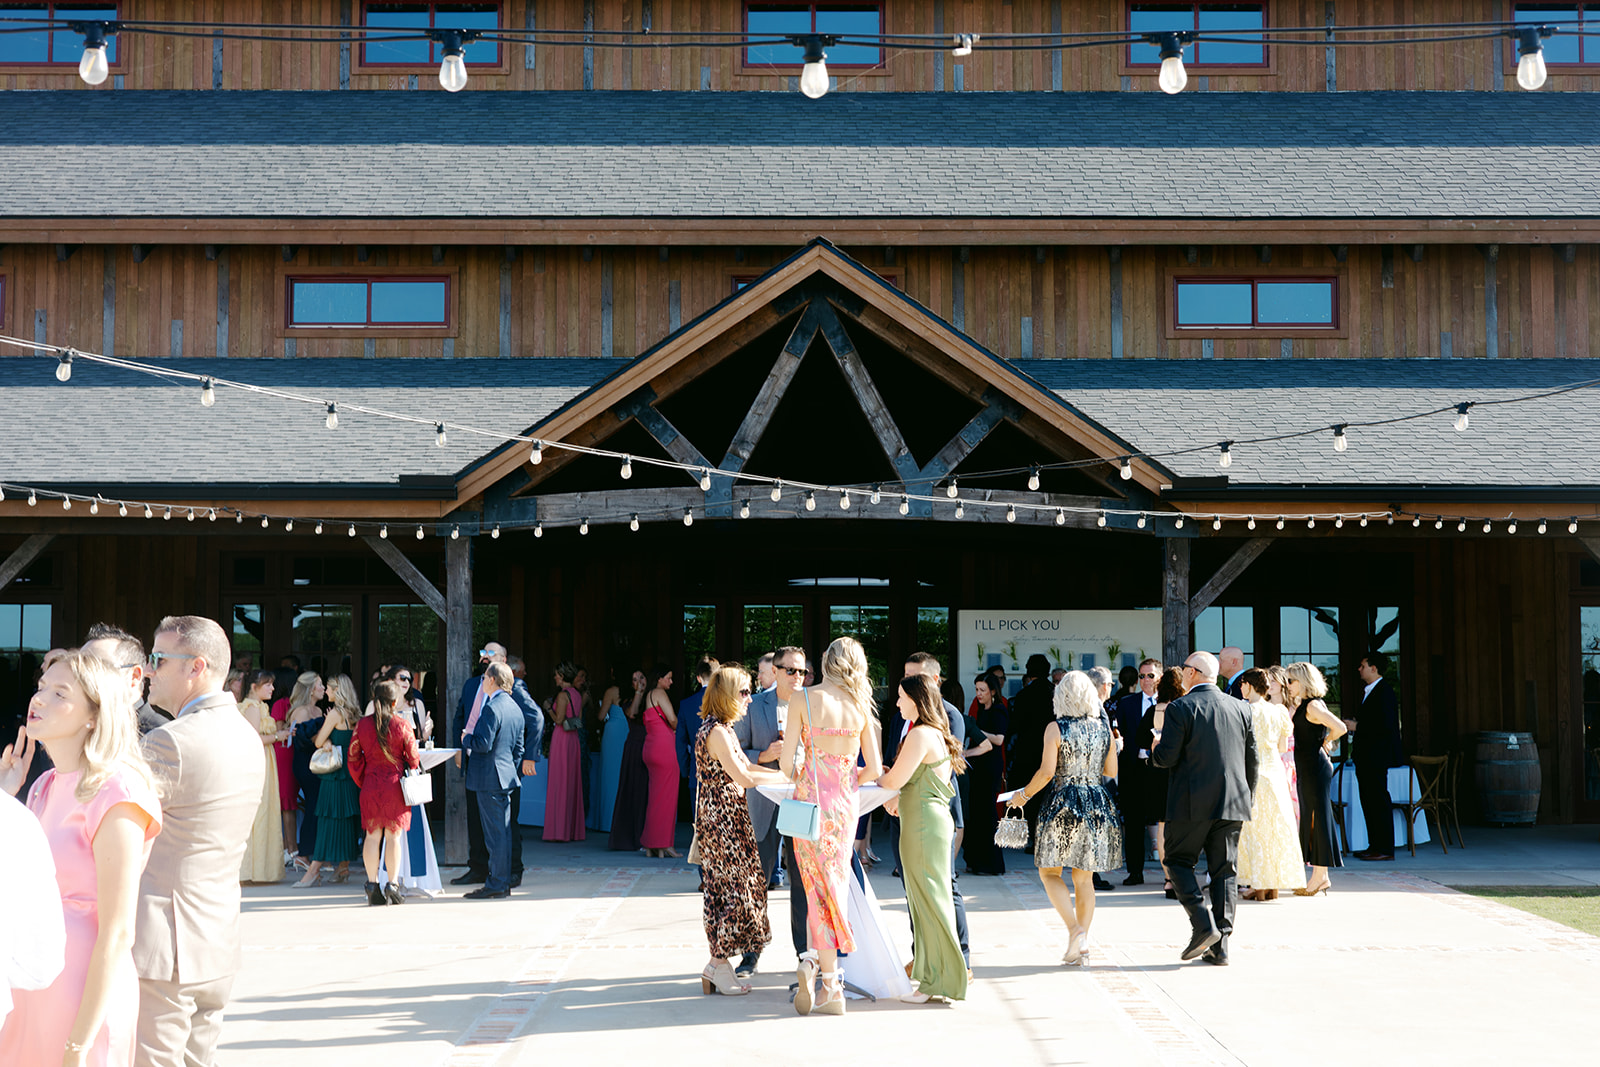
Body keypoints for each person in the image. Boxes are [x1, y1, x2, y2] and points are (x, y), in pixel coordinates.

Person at [0, 651, 161, 1067]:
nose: (39, 699)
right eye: (41, 688)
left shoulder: (116, 791)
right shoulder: (42, 786)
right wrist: (5, 796)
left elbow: (118, 931)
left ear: (94, 714)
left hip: (83, 995)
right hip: (30, 986)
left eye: (60, 693)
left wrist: (79, 1044)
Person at [132, 615, 264, 1067]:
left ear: (196, 667)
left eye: (158, 659)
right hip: (217, 933)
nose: (149, 670)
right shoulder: (247, 735)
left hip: (165, 941)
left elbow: (117, 829)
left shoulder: (170, 741)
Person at [780, 637, 883, 1017]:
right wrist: (846, 776)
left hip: (809, 805)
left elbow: (786, 765)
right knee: (834, 887)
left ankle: (824, 976)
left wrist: (808, 773)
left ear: (826, 663)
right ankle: (827, 980)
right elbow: (874, 768)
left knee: (814, 888)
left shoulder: (803, 699)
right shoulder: (860, 706)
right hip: (842, 808)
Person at [1006, 671, 1121, 966]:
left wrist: (1023, 796)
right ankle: (1080, 944)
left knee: (1049, 872)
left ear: (1061, 697)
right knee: (1084, 878)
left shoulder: (1055, 728)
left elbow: (1046, 773)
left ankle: (1074, 930)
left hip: (1063, 803)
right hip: (1095, 803)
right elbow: (1111, 772)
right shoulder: (1103, 730)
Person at [1152, 651, 1258, 967]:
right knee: (1225, 871)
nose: (1183, 673)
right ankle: (1220, 946)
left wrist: (1156, 749)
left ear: (1193, 673)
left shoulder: (1180, 707)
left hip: (1191, 802)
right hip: (1233, 801)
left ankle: (1202, 925)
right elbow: (1252, 760)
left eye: (1185, 669)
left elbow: (1167, 758)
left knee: (1177, 861)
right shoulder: (1241, 707)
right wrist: (1248, 798)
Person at [693, 666, 789, 996]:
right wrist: (786, 779)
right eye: (744, 692)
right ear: (727, 696)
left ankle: (718, 965)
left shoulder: (724, 729)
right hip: (721, 823)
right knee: (734, 893)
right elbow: (744, 778)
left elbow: (748, 766)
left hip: (730, 818)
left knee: (735, 890)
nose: (750, 698)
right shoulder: (717, 732)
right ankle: (717, 964)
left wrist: (784, 777)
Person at [879, 674, 968, 1003]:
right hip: (926, 823)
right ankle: (935, 979)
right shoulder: (934, 732)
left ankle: (938, 982)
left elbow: (894, 781)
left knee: (929, 904)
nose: (897, 703)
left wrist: (873, 774)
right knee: (928, 902)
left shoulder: (919, 734)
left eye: (901, 697)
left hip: (922, 828)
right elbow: (907, 784)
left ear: (917, 700)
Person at [895, 653, 974, 972]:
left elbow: (944, 769)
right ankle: (923, 955)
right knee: (914, 888)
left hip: (932, 808)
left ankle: (961, 960)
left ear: (933, 681)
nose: (907, 684)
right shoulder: (902, 715)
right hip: (907, 808)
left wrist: (892, 785)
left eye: (915, 678)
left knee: (944, 887)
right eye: (905, 676)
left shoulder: (948, 716)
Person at [732, 647, 792, 976]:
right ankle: (750, 954)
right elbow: (736, 751)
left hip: (801, 803)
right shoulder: (754, 706)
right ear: (776, 672)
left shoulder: (812, 704)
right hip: (763, 802)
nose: (797, 677)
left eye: (802, 672)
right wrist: (764, 756)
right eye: (790, 671)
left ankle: (807, 956)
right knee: (756, 883)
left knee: (805, 885)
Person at [349, 679, 422, 907]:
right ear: (395, 701)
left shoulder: (362, 725)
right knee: (394, 837)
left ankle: (372, 885)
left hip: (371, 785)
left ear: (374, 699)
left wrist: (364, 779)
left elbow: (353, 758)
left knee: (372, 836)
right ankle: (392, 884)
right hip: (394, 787)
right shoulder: (402, 725)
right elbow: (414, 758)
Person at [1235, 669, 1305, 900]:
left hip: (1253, 771)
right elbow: (1283, 746)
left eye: (1243, 684)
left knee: (1255, 829)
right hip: (1275, 772)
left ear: (1249, 685)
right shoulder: (1280, 710)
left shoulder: (1245, 710)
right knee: (1275, 828)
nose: (1241, 688)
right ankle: (1272, 885)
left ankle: (1258, 884)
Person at [463, 663, 525, 900]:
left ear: (492, 680)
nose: (482, 682)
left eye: (484, 677)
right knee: (503, 833)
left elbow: (482, 744)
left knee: (495, 835)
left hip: (488, 778)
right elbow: (518, 749)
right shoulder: (514, 707)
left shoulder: (491, 708)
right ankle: (501, 881)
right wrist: (508, 769)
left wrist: (466, 738)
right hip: (505, 777)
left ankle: (497, 883)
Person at [1287, 662, 1347, 896]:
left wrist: (1327, 741)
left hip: (1315, 767)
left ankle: (1320, 877)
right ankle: (1320, 875)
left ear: (1302, 681)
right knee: (1312, 818)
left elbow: (1340, 727)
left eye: (1291, 681)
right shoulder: (1305, 704)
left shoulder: (1313, 705)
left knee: (1317, 818)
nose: (1288, 685)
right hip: (1307, 766)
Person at [295, 675, 361, 888]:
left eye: (330, 689)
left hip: (334, 775)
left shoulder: (335, 713)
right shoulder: (354, 713)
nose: (326, 691)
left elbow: (318, 741)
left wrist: (327, 740)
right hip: (349, 773)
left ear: (337, 691)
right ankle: (343, 867)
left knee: (326, 820)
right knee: (346, 820)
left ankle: (313, 871)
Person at [451, 641, 507, 887]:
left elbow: (527, 720)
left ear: (503, 660)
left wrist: (525, 757)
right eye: (483, 653)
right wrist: (459, 748)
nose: (484, 657)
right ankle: (477, 868)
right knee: (474, 818)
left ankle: (506, 872)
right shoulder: (471, 684)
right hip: (473, 758)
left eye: (490, 653)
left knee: (499, 824)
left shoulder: (511, 688)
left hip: (497, 764)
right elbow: (460, 718)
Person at [1346, 651, 1403, 862]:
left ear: (1374, 668)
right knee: (1369, 801)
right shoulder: (1371, 691)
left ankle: (1385, 848)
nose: (1359, 669)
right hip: (1367, 756)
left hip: (1376, 756)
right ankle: (1374, 845)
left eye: (1363, 666)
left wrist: (1357, 726)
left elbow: (1385, 725)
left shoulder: (1384, 692)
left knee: (1378, 800)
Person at [1112, 658, 1161, 886]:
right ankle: (1135, 872)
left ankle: (1171, 875)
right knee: (1133, 823)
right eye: (1142, 676)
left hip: (1160, 770)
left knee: (1165, 821)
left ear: (1160, 677)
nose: (1145, 680)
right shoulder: (1127, 703)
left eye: (1150, 675)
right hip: (1133, 769)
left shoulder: (1169, 704)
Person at [1139, 668, 1186, 900]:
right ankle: (1182, 875)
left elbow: (1139, 739)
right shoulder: (1185, 709)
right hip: (1183, 772)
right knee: (1184, 825)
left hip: (1158, 773)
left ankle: (1168, 879)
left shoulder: (1154, 710)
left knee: (1162, 826)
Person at [237, 671, 284, 884]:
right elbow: (253, 738)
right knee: (261, 810)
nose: (272, 688)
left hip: (265, 758)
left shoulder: (258, 706)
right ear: (254, 687)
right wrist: (278, 736)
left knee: (264, 810)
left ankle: (260, 869)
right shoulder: (253, 707)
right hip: (258, 758)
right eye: (267, 685)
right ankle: (254, 869)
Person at [1005, 654, 1056, 852]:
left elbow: (1015, 725)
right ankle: (1047, 837)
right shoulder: (1055, 693)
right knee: (1049, 795)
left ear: (1028, 671)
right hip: (1052, 748)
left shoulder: (1023, 695)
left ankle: (1031, 837)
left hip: (1027, 750)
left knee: (1029, 793)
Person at [82, 624, 169, 738]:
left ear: (135, 676)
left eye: (98, 667)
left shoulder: (161, 736)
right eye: (79, 669)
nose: (84, 676)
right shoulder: (78, 730)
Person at [962, 672, 1009, 876]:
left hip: (990, 768)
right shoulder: (980, 710)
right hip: (977, 765)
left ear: (992, 691)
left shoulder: (999, 710)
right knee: (977, 814)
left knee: (988, 813)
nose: (979, 694)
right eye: (976, 690)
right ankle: (976, 861)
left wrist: (977, 731)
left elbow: (999, 739)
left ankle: (991, 864)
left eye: (982, 690)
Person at [506, 657, 546, 885]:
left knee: (509, 818)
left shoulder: (517, 687)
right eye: (523, 672)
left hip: (511, 761)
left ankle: (513, 869)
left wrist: (530, 756)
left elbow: (536, 718)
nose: (525, 675)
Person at [543, 661, 587, 843]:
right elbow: (579, 718)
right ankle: (572, 829)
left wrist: (548, 708)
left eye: (556, 675)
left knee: (559, 781)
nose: (554, 677)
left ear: (561, 676)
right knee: (571, 781)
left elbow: (559, 720)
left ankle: (559, 830)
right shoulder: (577, 694)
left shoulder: (562, 695)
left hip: (561, 739)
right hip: (573, 738)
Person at [285, 672, 326, 865]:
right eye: (320, 684)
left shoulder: (319, 710)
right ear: (310, 689)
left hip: (319, 762)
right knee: (313, 804)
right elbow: (301, 742)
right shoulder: (300, 712)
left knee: (316, 805)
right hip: (305, 763)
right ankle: (305, 853)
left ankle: (314, 852)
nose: (323, 688)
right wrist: (322, 737)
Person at [608, 669, 651, 853]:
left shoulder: (654, 698)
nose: (639, 681)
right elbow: (632, 714)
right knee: (634, 790)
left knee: (648, 793)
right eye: (635, 679)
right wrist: (638, 693)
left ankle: (648, 836)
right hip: (635, 746)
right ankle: (633, 837)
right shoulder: (628, 701)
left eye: (641, 677)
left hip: (651, 745)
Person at [676, 656, 719, 830]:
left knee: (700, 827)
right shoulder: (727, 702)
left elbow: (680, 742)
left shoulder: (686, 704)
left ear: (698, 678)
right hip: (724, 772)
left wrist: (686, 769)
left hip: (697, 770)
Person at [642, 664, 680, 857]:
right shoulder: (660, 693)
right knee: (667, 797)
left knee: (655, 797)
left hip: (650, 746)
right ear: (660, 678)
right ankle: (665, 843)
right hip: (664, 748)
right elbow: (672, 719)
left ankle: (651, 844)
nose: (671, 682)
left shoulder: (648, 695)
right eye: (669, 678)